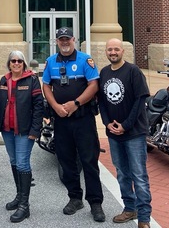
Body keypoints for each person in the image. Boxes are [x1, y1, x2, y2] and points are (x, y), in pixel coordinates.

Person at [41, 27, 105, 223]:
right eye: (61, 39)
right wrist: (55, 106)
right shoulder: (51, 61)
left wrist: (75, 103)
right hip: (61, 120)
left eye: (67, 39)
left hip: (83, 119)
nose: (64, 42)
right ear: (57, 41)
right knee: (66, 161)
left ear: (74, 39)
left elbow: (94, 85)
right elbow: (46, 85)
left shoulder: (85, 60)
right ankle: (75, 198)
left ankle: (95, 203)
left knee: (89, 161)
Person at [98, 38, 152, 228]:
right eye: (109, 49)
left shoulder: (133, 71)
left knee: (139, 175)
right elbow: (102, 101)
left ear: (122, 51)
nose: (113, 52)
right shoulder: (104, 73)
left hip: (134, 133)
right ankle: (130, 208)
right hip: (114, 134)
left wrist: (126, 125)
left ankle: (144, 218)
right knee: (122, 173)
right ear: (106, 51)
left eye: (116, 49)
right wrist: (107, 123)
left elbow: (140, 101)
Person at [0, 50, 44, 223]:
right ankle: (19, 196)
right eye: (13, 61)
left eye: (19, 61)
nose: (16, 63)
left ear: (24, 64)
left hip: (25, 131)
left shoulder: (32, 80)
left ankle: (24, 206)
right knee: (14, 161)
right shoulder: (4, 80)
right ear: (9, 63)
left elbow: (38, 107)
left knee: (22, 163)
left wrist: (35, 130)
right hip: (7, 130)